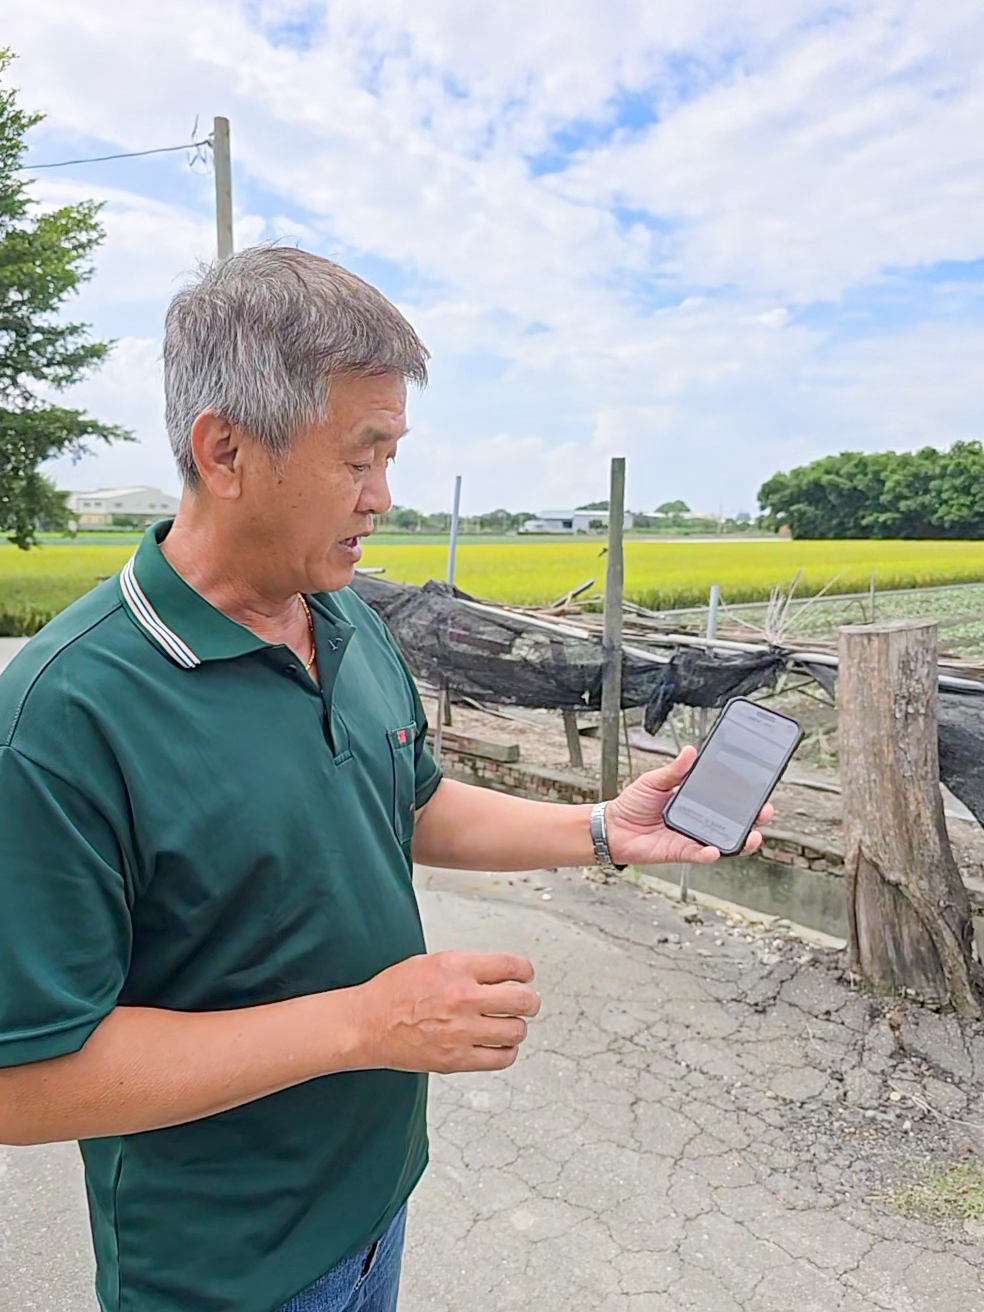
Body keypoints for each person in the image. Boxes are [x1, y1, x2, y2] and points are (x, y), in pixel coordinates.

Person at [0, 246, 771, 1312]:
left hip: (375, 1200)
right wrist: (367, 1024)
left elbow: (410, 801)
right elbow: (28, 1080)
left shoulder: (345, 617)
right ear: (224, 449)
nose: (385, 497)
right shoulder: (65, 715)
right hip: (224, 1269)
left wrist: (601, 827)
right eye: (360, 458)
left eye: (393, 454)